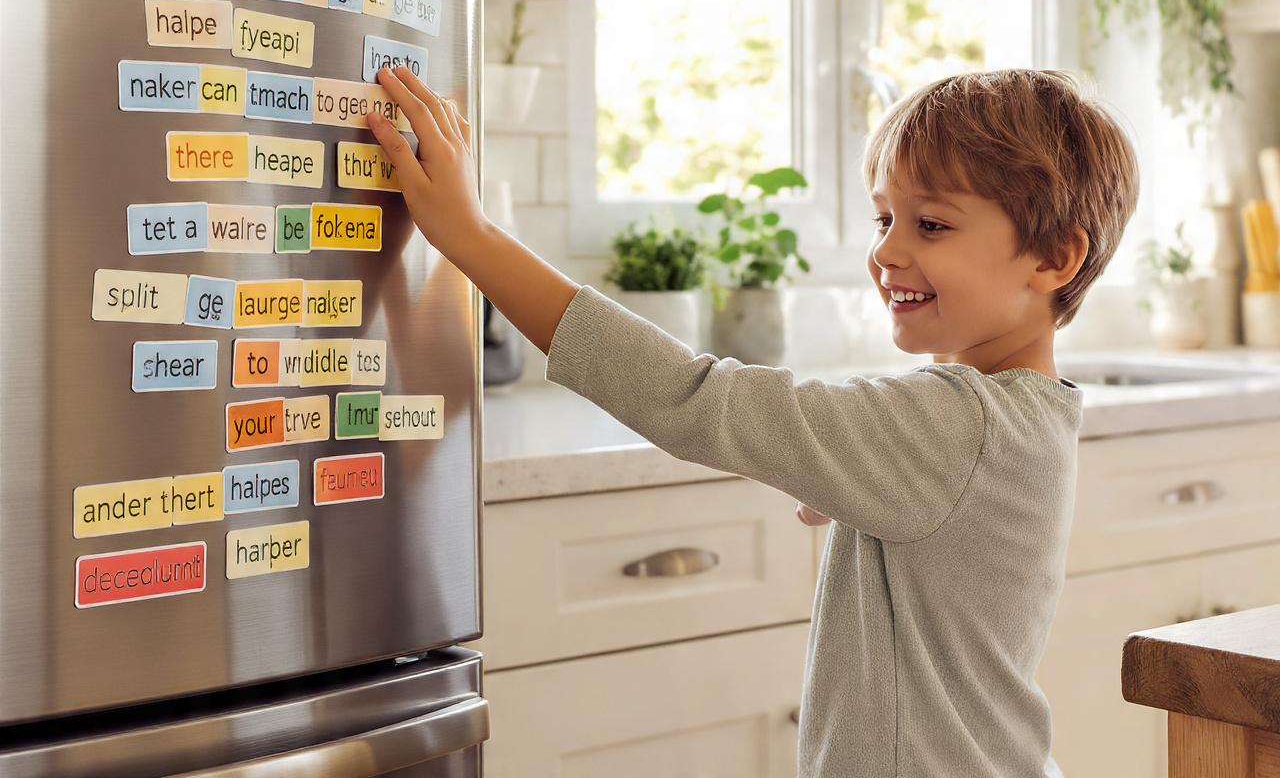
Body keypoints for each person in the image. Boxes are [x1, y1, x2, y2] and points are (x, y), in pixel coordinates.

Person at [368, 66, 1139, 778]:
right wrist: (852, 478)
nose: (887, 252)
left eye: (931, 226)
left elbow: (692, 397)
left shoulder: (954, 425)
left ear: (1053, 259)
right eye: (882, 219)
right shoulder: (1016, 413)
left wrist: (469, 237)